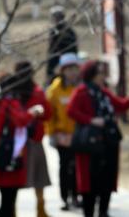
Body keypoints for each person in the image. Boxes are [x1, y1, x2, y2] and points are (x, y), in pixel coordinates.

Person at [67, 60, 129, 217]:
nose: (103, 76)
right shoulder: (82, 91)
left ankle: (104, 210)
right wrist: (90, 120)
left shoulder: (104, 92)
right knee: (90, 181)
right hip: (89, 142)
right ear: (92, 74)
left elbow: (121, 105)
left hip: (108, 141)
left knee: (107, 178)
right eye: (101, 73)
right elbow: (71, 111)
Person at [0, 74, 44, 217]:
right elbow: (21, 120)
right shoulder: (10, 103)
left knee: (6, 200)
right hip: (10, 156)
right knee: (8, 202)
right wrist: (34, 112)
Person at [14, 61, 52, 217]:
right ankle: (40, 209)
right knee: (39, 178)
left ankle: (13, 210)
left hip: (17, 142)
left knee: (15, 180)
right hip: (33, 141)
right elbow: (48, 114)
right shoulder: (37, 92)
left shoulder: (13, 92)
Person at [45, 53, 82, 210]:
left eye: (75, 68)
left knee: (77, 166)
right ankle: (64, 198)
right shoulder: (55, 89)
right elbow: (49, 114)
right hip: (62, 135)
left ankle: (76, 196)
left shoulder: (81, 88)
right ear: (63, 70)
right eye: (69, 69)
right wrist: (52, 134)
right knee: (64, 166)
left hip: (79, 134)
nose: (73, 72)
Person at [47, 6, 78, 81]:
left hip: (61, 64)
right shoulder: (70, 30)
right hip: (68, 63)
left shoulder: (56, 31)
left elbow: (53, 49)